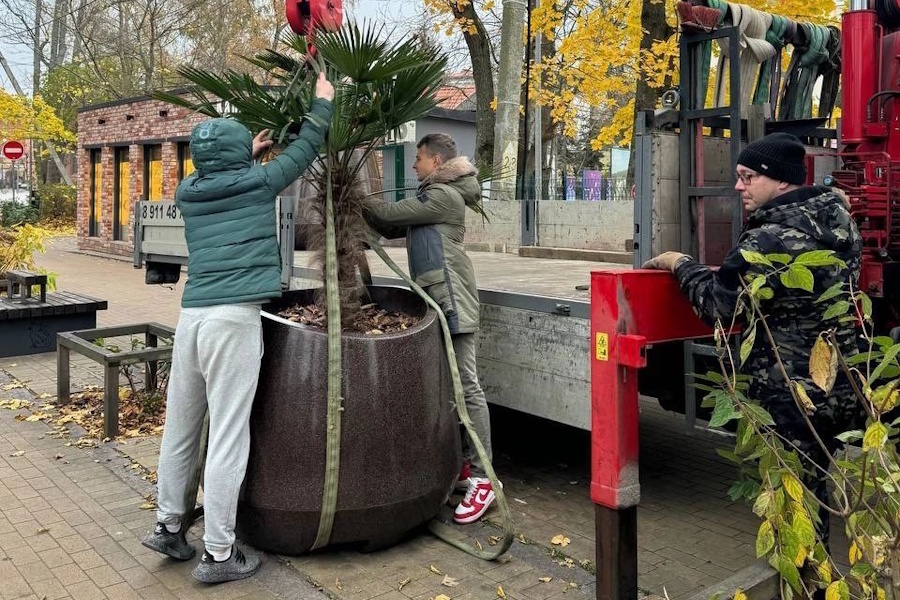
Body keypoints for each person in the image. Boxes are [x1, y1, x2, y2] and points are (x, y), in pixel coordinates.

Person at [142, 73, 334, 584]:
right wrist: (322, 102)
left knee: (181, 429)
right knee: (228, 435)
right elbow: (307, 147)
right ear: (240, 156)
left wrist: (244, 152)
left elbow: (220, 173)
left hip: (192, 320)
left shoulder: (188, 190)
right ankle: (220, 554)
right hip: (234, 319)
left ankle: (167, 526)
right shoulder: (258, 181)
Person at [643, 132, 863, 548]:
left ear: (781, 181)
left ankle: (802, 583)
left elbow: (717, 307)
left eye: (748, 177)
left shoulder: (767, 239)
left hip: (790, 393)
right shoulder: (840, 221)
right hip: (836, 381)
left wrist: (679, 263)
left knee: (793, 501)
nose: (739, 186)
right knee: (816, 482)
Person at [363, 133, 498, 524]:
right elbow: (390, 229)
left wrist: (356, 196)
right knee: (452, 386)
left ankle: (486, 479)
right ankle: (467, 467)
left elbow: (388, 216)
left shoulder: (441, 197)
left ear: (437, 162)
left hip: (453, 298)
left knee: (466, 385)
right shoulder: (432, 196)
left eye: (419, 158)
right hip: (439, 298)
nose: (416, 165)